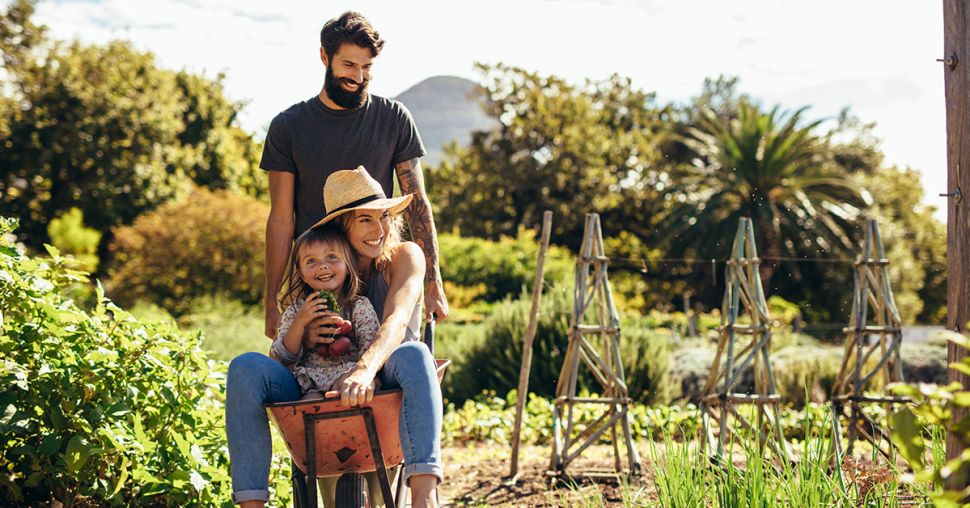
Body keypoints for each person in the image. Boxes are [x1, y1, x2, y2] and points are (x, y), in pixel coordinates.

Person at [226, 168, 443, 508]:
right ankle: (251, 503)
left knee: (416, 353)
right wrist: (306, 335)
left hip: (387, 378)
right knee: (245, 368)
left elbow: (396, 322)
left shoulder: (404, 255)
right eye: (365, 220)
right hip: (314, 384)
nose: (380, 229)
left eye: (384, 216)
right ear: (342, 227)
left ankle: (424, 500)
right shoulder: (318, 275)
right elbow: (282, 351)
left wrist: (362, 370)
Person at [260, 10, 448, 344]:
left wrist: (433, 282)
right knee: (318, 382)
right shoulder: (288, 127)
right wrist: (272, 298)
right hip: (318, 277)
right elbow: (281, 219)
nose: (358, 76)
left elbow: (417, 204)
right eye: (349, 65)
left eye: (367, 67)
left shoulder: (393, 118)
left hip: (380, 272)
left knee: (395, 365)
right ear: (324, 56)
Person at [269, 226, 380, 398]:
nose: (322, 266)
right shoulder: (298, 310)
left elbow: (370, 348)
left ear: (348, 265)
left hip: (348, 375)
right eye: (311, 261)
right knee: (310, 406)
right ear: (302, 274)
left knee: (344, 388)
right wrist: (300, 322)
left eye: (332, 257)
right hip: (309, 383)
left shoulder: (358, 306)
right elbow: (282, 357)